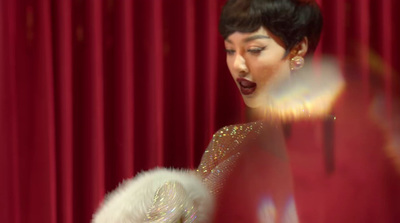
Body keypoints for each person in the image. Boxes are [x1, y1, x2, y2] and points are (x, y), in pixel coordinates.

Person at [92, 0, 344, 222]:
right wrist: (173, 204)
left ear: (297, 50)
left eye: (254, 49)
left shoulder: (335, 140)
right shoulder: (227, 142)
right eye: (230, 50)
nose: (238, 65)